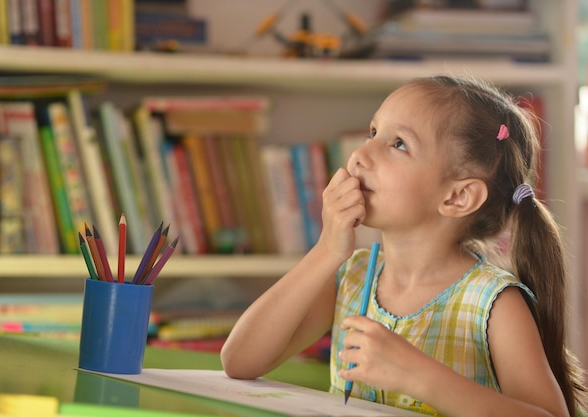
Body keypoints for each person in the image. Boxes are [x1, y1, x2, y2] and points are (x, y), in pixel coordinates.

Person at [220, 75, 587, 417]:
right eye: (373, 131)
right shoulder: (351, 277)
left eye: (398, 144)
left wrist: (419, 377)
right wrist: (327, 250)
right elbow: (239, 361)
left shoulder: (493, 303)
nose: (360, 155)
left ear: (458, 196)